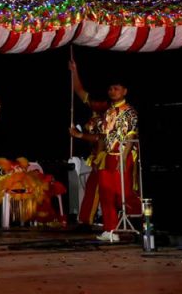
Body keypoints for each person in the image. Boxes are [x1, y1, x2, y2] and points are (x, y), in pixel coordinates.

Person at [69, 61, 140, 242]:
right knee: (106, 194)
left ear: (124, 91)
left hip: (122, 156)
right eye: (110, 89)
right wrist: (80, 137)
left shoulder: (129, 111)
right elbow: (101, 137)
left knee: (123, 194)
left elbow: (130, 137)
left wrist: (123, 159)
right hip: (107, 156)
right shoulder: (107, 112)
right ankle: (110, 230)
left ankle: (140, 221)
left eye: (116, 89)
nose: (112, 91)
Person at [68, 60, 109, 226]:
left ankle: (92, 219)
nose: (94, 105)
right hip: (96, 156)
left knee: (99, 187)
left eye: (97, 103)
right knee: (92, 187)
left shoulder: (110, 113)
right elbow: (78, 90)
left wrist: (79, 135)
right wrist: (74, 70)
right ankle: (88, 219)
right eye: (92, 102)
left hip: (108, 156)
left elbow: (102, 137)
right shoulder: (93, 106)